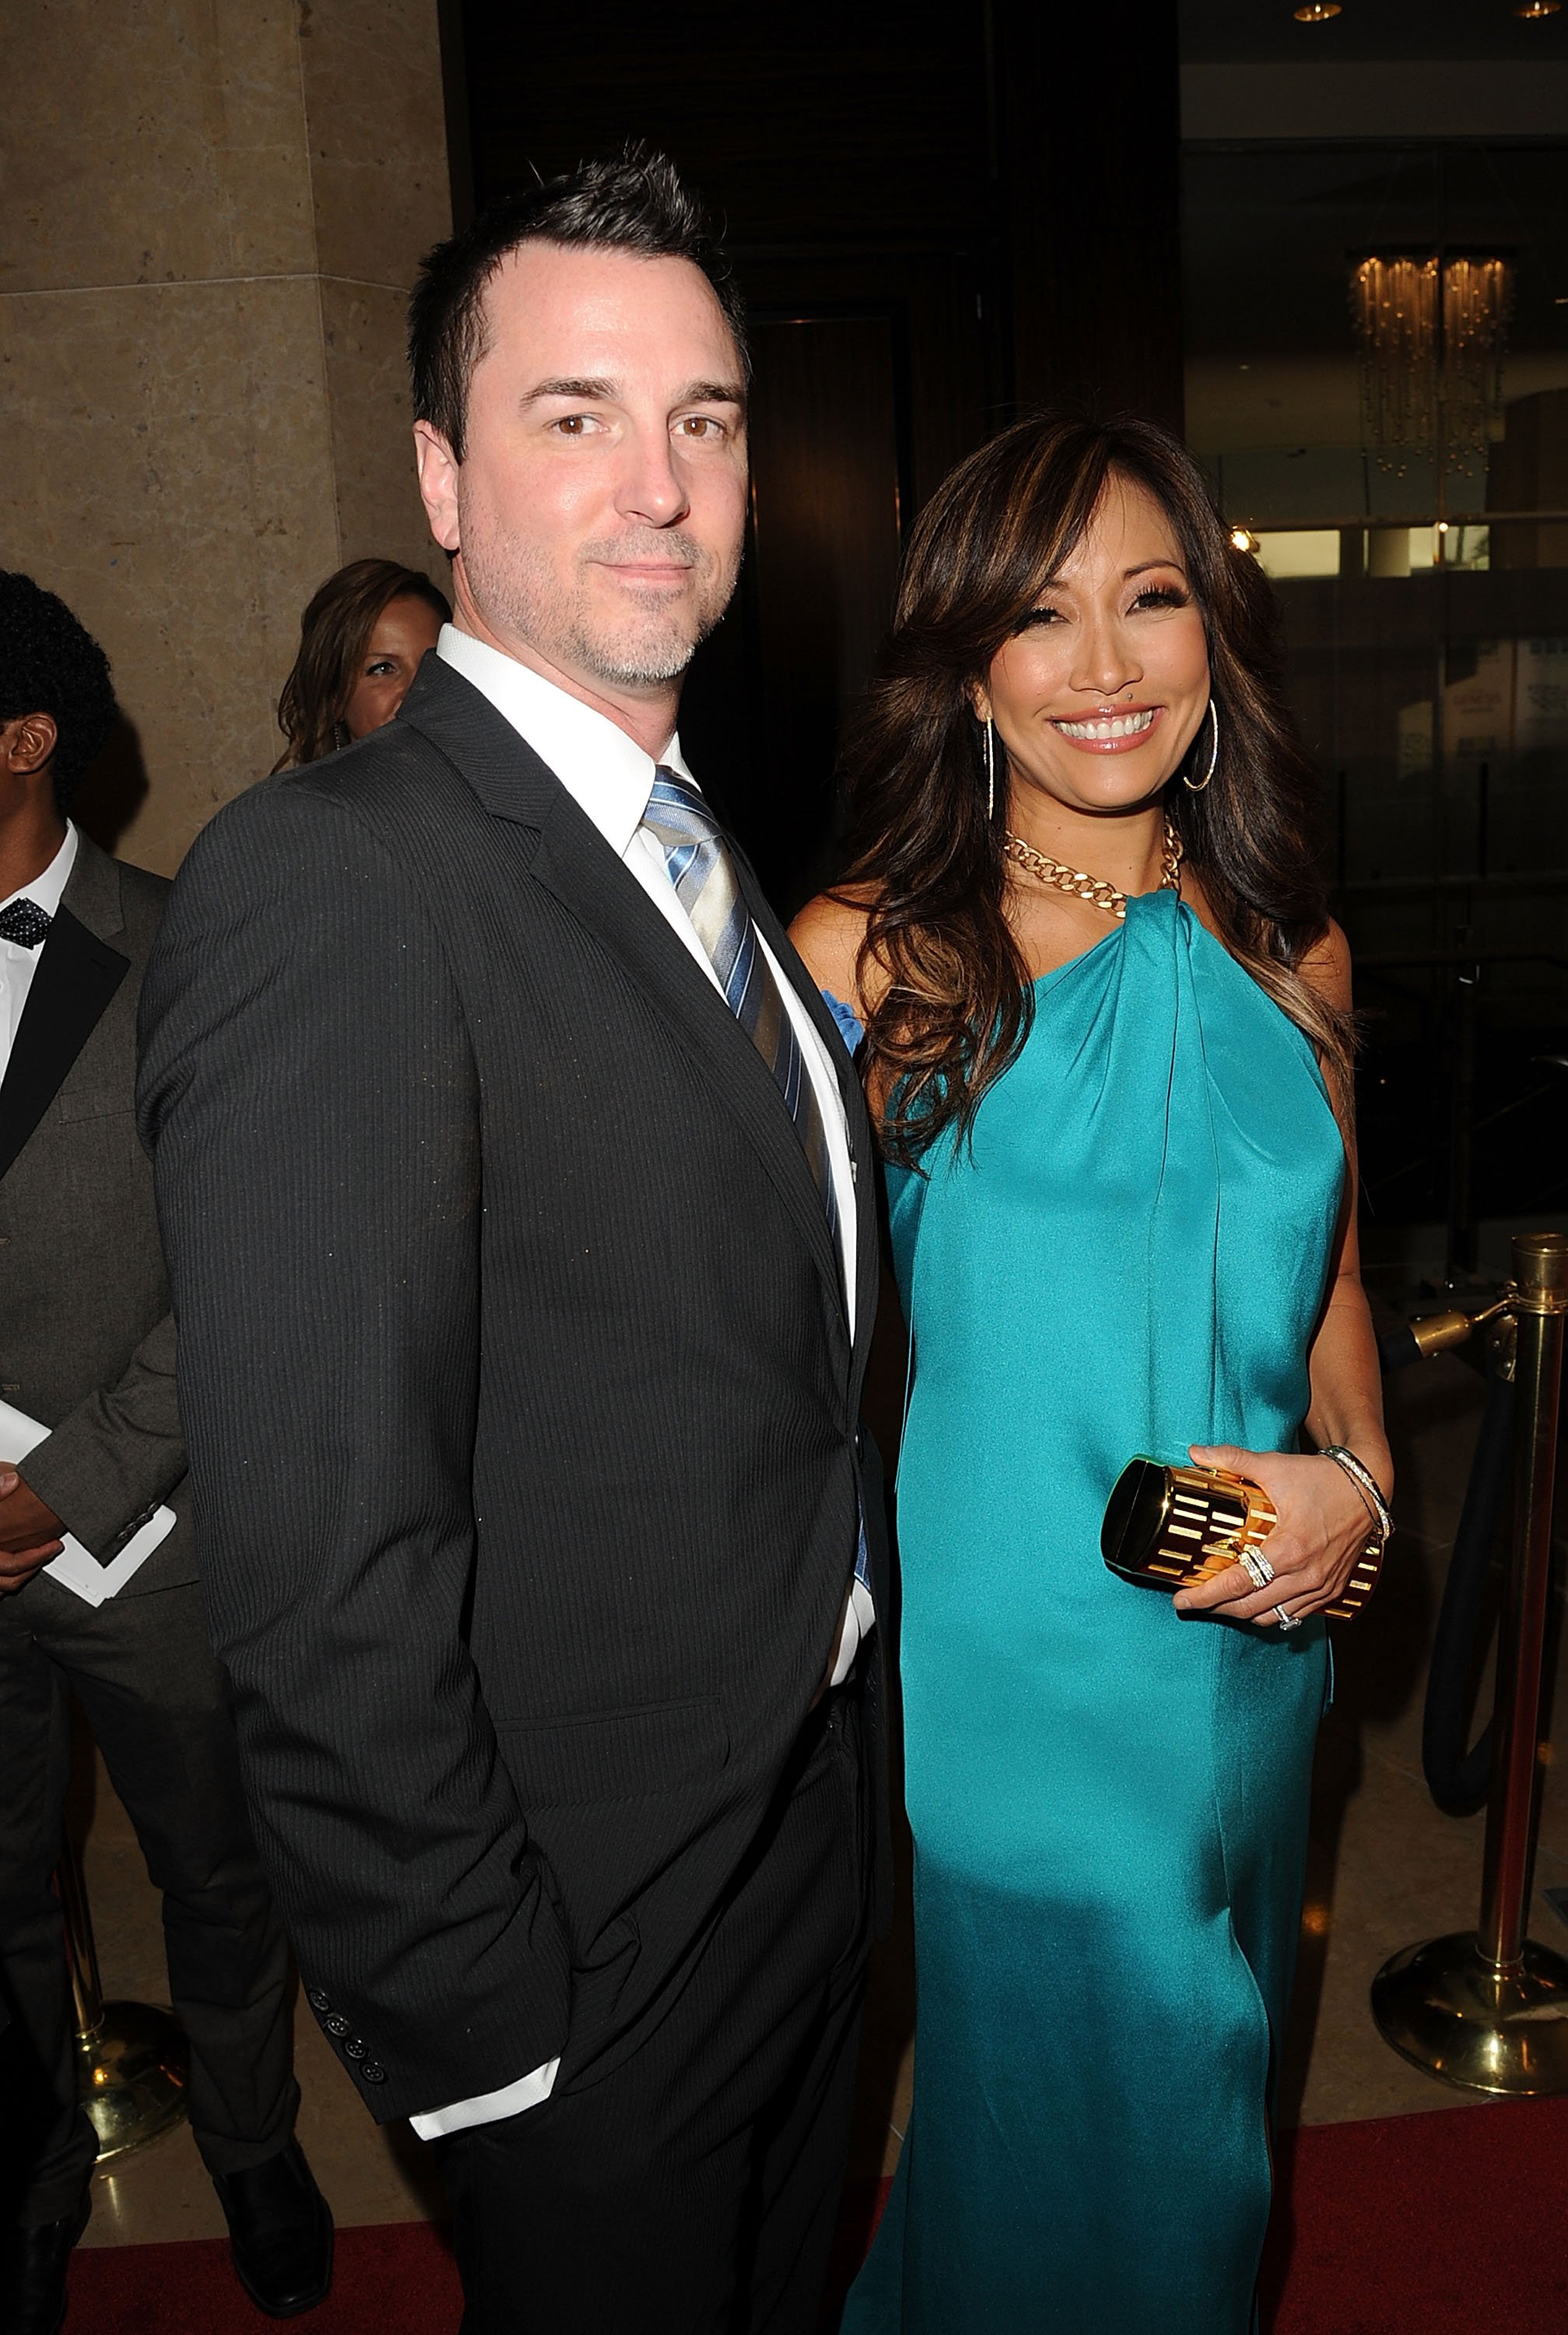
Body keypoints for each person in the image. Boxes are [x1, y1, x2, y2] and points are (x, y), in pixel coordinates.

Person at [138, 151, 886, 2335]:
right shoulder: (336, 882)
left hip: (794, 1862)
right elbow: (314, 1568)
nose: (656, 482)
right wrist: (498, 2061)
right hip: (583, 1966)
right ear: (443, 475)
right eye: (574, 417)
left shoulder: (688, 837)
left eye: (706, 420)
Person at [791, 413, 1392, 2333]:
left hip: (1245, 1649)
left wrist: (1358, 1488)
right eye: (1038, 618)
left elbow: (1335, 1288)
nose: (1106, 665)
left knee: (1199, 2111)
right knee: (1134, 2119)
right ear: (965, 664)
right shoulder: (870, 963)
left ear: (1215, 634)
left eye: (1149, 599)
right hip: (1008, 1687)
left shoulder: (1298, 954)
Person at [0, 573, 331, 2331]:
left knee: (215, 1867)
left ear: (25, 738)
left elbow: (258, 1256)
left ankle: (258, 2142)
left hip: (152, 1524)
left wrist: (82, 1472)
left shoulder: (191, 937)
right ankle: (34, 2173)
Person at [270, 557, 451, 769]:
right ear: (334, 698)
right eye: (382, 669)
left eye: (434, 663)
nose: (417, 690)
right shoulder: (300, 801)